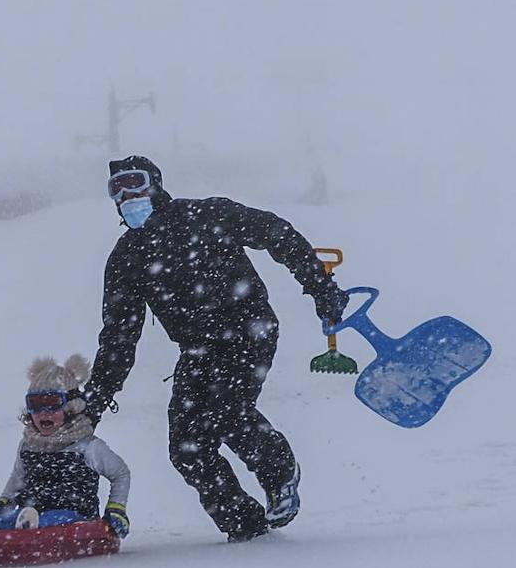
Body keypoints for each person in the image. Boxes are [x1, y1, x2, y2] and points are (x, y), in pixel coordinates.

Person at [83, 156, 348, 542]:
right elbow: (120, 336)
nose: (127, 194)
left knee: (227, 411)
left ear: (155, 183)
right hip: (197, 349)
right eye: (117, 188)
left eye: (134, 182)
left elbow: (278, 234)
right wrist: (97, 398)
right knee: (187, 449)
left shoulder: (207, 215)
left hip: (247, 329)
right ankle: (247, 529)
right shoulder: (128, 257)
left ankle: (280, 475)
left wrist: (321, 288)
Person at [0, 355, 130, 539]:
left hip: (75, 518)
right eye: (36, 405)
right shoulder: (28, 445)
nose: (44, 413)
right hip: (28, 510)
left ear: (71, 407)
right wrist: (1, 504)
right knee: (1, 521)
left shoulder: (86, 446)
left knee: (50, 520)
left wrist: (116, 509)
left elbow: (121, 473)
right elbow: (17, 479)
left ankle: (24, 529)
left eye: (53, 404)